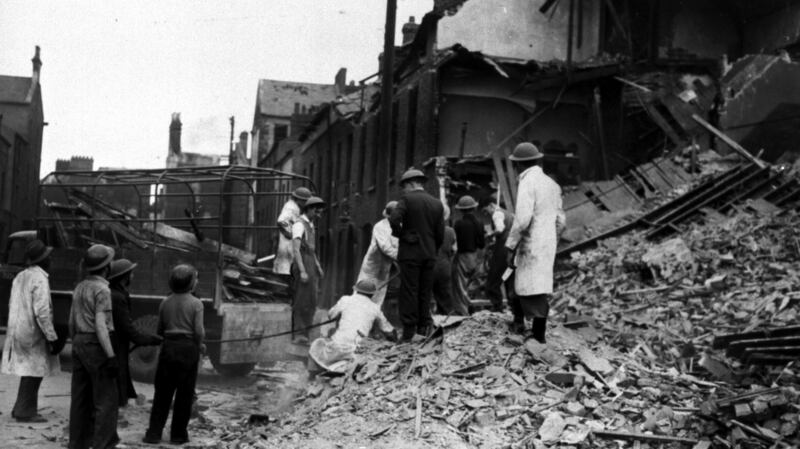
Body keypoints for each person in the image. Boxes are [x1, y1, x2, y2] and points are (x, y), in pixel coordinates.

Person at [505, 142, 565, 343]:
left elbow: (522, 219)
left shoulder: (527, 182)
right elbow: (561, 221)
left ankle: (532, 332)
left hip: (530, 242)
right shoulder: (552, 184)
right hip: (547, 242)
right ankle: (538, 331)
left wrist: (510, 245)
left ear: (518, 165)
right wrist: (550, 239)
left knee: (526, 285)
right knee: (540, 285)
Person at [1, 239, 63, 423]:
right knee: (34, 373)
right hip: (32, 332)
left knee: (29, 371)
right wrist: (52, 336)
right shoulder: (40, 279)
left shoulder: (21, 276)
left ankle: (20, 408)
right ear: (43, 260)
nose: (51, 261)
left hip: (18, 329)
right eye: (48, 258)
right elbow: (42, 312)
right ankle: (25, 411)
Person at [143, 264, 204, 445]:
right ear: (191, 283)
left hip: (169, 348)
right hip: (188, 349)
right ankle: (178, 436)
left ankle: (153, 434)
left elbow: (160, 329)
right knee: (184, 395)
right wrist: (200, 346)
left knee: (162, 393)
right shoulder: (196, 304)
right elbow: (199, 331)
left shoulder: (165, 302)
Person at [69, 244, 119, 449]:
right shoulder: (103, 290)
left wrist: (76, 342)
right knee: (106, 399)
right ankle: (103, 444)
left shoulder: (80, 286)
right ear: (106, 267)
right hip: (95, 345)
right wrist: (111, 356)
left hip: (79, 342)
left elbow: (71, 321)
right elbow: (101, 326)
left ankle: (77, 443)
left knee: (80, 398)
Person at [388, 168, 444, 341]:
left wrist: (403, 234)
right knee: (425, 291)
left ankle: (408, 333)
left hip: (411, 254)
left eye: (404, 187)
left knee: (409, 291)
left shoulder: (406, 199)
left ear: (411, 184)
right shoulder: (436, 203)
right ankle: (423, 329)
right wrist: (432, 249)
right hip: (429, 255)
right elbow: (440, 233)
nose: (403, 191)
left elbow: (393, 219)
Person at [308, 279, 396, 374]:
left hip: (337, 348)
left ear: (356, 290)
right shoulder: (375, 308)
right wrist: (395, 341)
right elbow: (389, 331)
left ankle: (313, 373)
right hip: (356, 352)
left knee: (317, 343)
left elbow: (330, 315)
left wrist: (341, 315)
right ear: (372, 294)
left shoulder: (345, 300)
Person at [108, 259, 162, 408]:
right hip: (116, 343)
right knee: (117, 377)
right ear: (124, 277)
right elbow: (127, 329)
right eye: (131, 274)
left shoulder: (117, 294)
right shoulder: (117, 297)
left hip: (116, 341)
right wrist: (150, 339)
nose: (133, 277)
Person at [291, 196, 326, 344]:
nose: (318, 216)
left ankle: (306, 332)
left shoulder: (311, 226)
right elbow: (296, 250)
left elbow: (312, 250)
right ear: (310, 209)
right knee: (301, 300)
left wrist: (317, 265)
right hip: (302, 263)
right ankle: (298, 333)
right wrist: (303, 270)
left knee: (312, 300)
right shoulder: (299, 225)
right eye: (316, 212)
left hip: (310, 262)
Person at [356, 201, 399, 308]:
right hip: (373, 266)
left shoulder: (398, 227)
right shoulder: (380, 227)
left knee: (379, 294)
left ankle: (373, 317)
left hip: (385, 266)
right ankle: (358, 315)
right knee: (364, 291)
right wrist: (401, 256)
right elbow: (385, 247)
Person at [452, 195, 485, 315]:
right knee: (474, 283)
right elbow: (481, 244)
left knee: (461, 285)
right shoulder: (479, 223)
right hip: (475, 256)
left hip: (462, 257)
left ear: (460, 210)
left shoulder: (458, 224)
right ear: (474, 208)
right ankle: (474, 310)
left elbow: (455, 243)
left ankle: (464, 311)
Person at [483, 195, 515, 314]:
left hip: (502, 252)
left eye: (486, 210)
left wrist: (490, 234)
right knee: (508, 278)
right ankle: (512, 308)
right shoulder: (510, 214)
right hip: (511, 251)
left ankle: (497, 307)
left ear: (491, 205)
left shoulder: (497, 214)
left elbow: (500, 229)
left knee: (492, 281)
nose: (487, 213)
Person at [275, 186, 312, 275]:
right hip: (287, 245)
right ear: (298, 199)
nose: (305, 203)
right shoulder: (291, 207)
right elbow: (281, 221)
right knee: (284, 270)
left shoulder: (296, 207)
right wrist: (291, 233)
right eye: (304, 200)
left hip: (289, 246)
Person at [432, 204, 457, 315]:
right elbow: (454, 249)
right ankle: (448, 320)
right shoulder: (450, 231)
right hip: (445, 266)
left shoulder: (428, 231)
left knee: (430, 296)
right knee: (446, 295)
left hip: (430, 266)